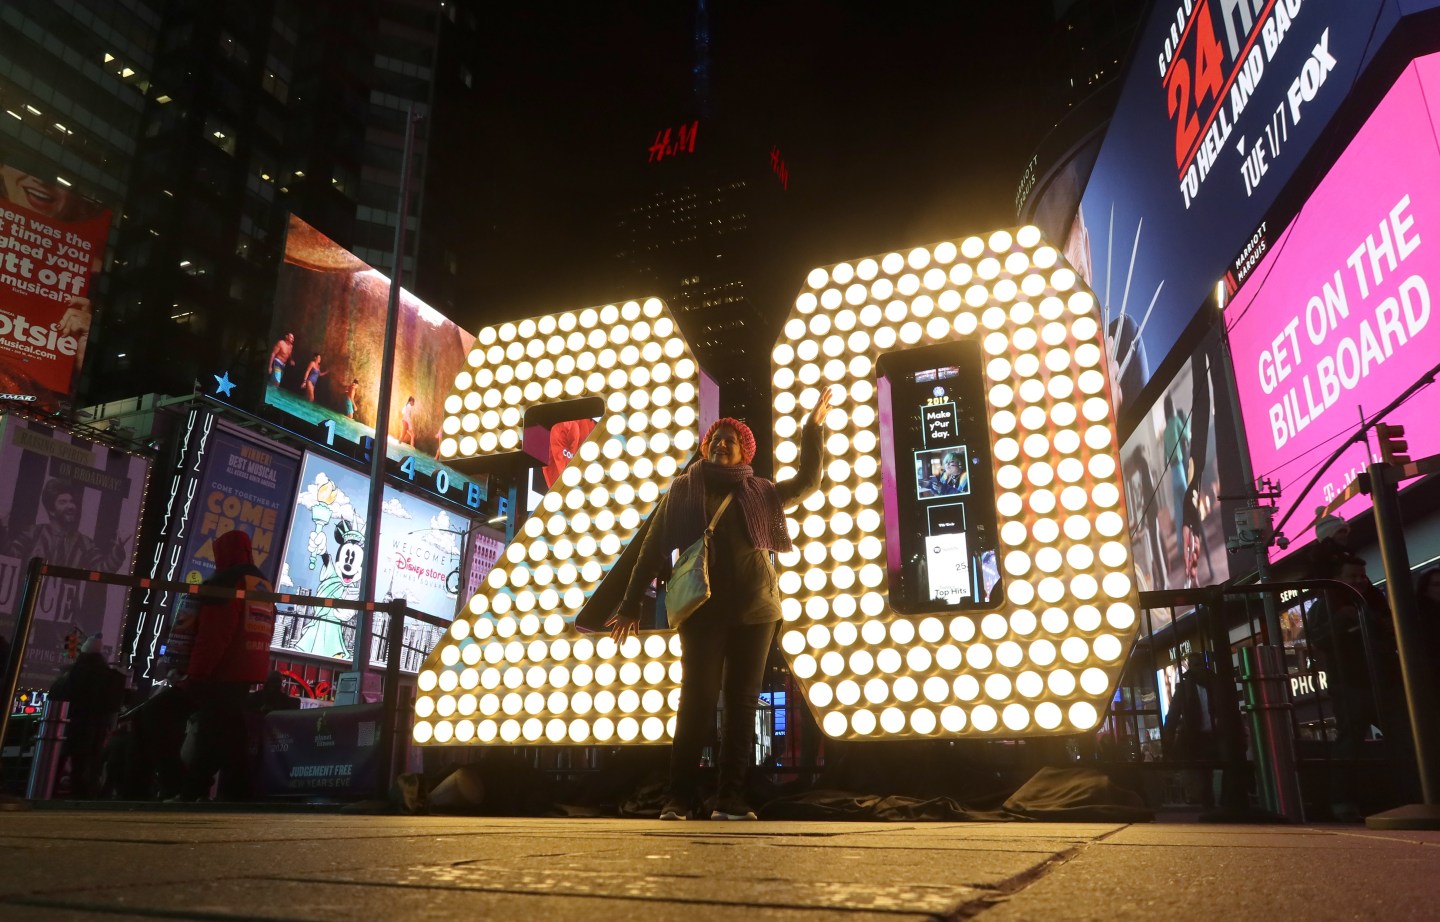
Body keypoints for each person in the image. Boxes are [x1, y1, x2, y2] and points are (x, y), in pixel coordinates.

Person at [610, 387, 834, 821]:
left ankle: (729, 799)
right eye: (716, 438)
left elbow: (809, 481)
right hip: (702, 611)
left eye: (731, 439)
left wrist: (813, 429)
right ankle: (678, 798)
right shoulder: (682, 491)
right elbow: (651, 547)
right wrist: (630, 603)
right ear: (705, 448)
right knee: (696, 702)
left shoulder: (762, 492)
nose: (721, 443)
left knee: (742, 704)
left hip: (756, 611)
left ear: (744, 452)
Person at [176, 530, 277, 801]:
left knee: (214, 732)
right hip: (248, 670)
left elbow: (214, 636)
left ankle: (197, 791)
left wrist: (196, 673)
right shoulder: (262, 584)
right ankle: (231, 791)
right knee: (229, 733)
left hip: (221, 672)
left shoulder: (226, 582)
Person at [49, 634, 125, 798]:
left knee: (57, 762)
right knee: (85, 766)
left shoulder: (70, 674)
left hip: (67, 725)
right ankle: (83, 796)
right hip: (95, 729)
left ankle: (49, 792)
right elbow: (113, 706)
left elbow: (55, 695)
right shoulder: (111, 677)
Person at [7, 478, 129, 571]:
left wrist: (117, 550)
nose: (71, 506)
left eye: (71, 502)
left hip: (67, 603)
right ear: (51, 510)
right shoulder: (33, 533)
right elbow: (10, 556)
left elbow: (102, 570)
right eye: (63, 502)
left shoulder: (85, 543)